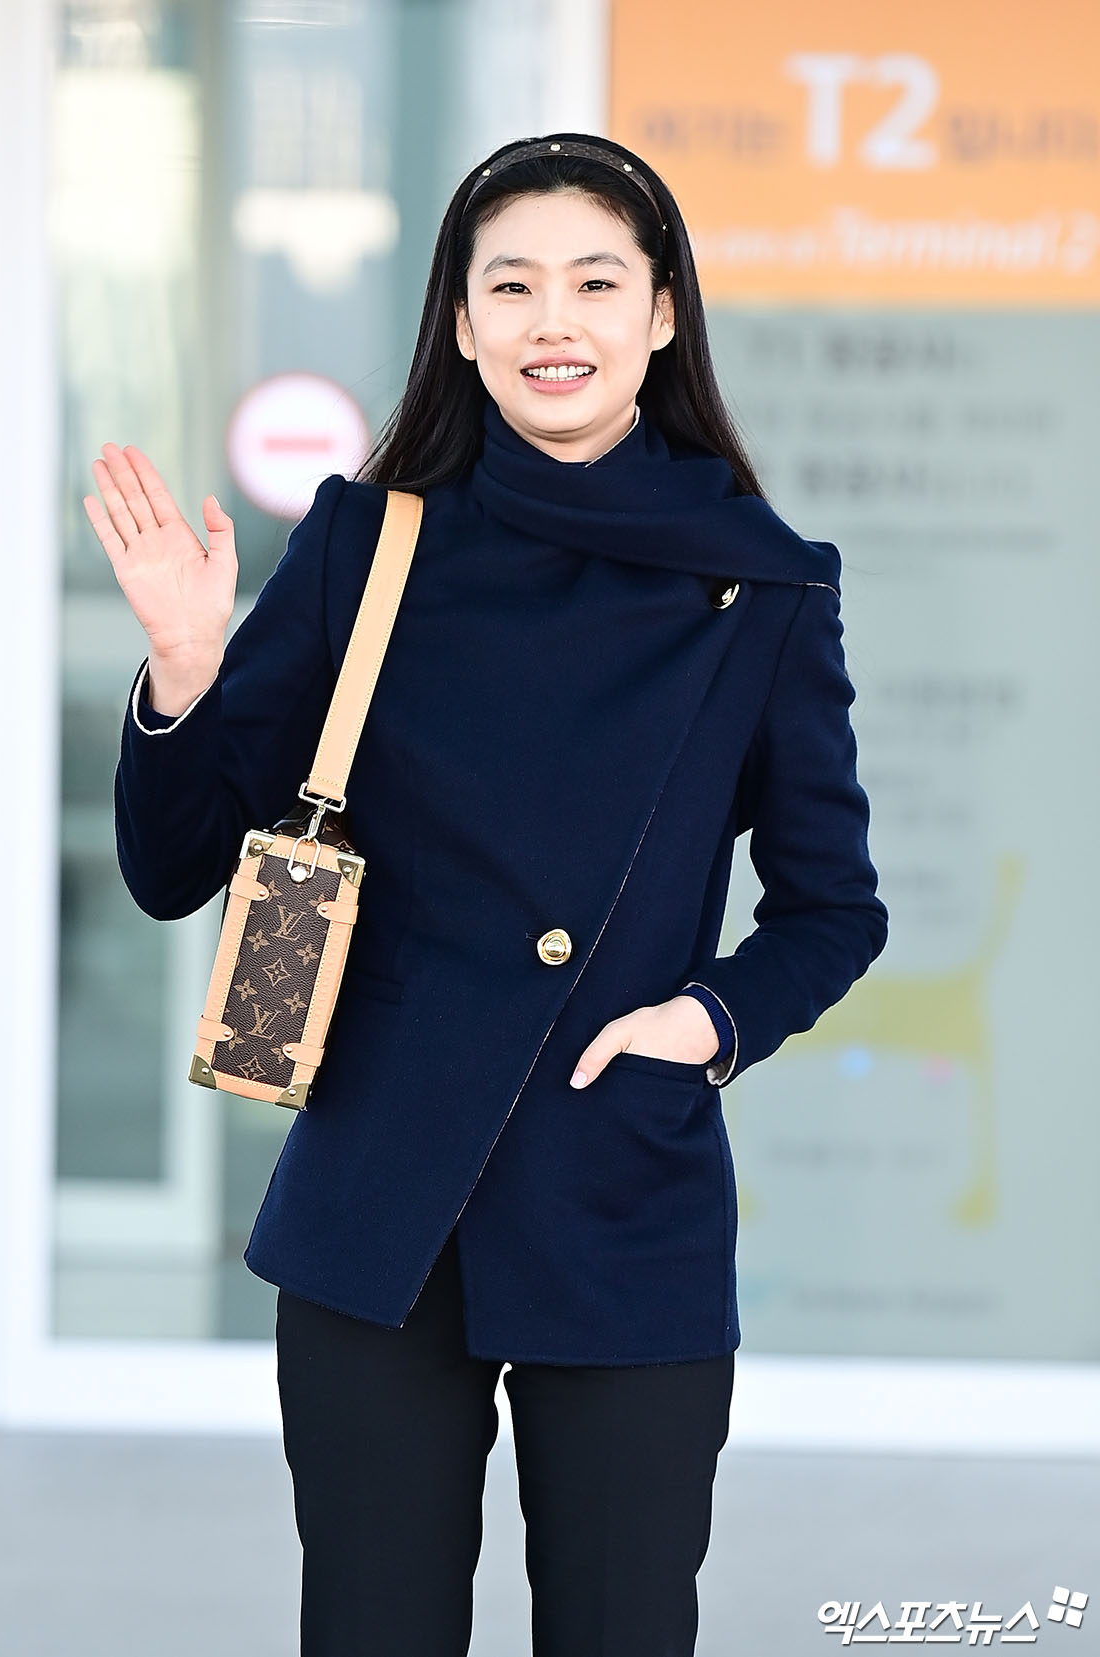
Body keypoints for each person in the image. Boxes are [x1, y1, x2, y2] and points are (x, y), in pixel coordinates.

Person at [88, 132, 888, 1657]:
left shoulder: (767, 587)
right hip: (381, 1201)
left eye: (596, 282)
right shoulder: (367, 539)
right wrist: (186, 669)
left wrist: (705, 1022)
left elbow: (832, 908)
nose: (552, 322)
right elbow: (171, 863)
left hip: (621, 1193)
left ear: (663, 312)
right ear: (460, 324)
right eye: (511, 287)